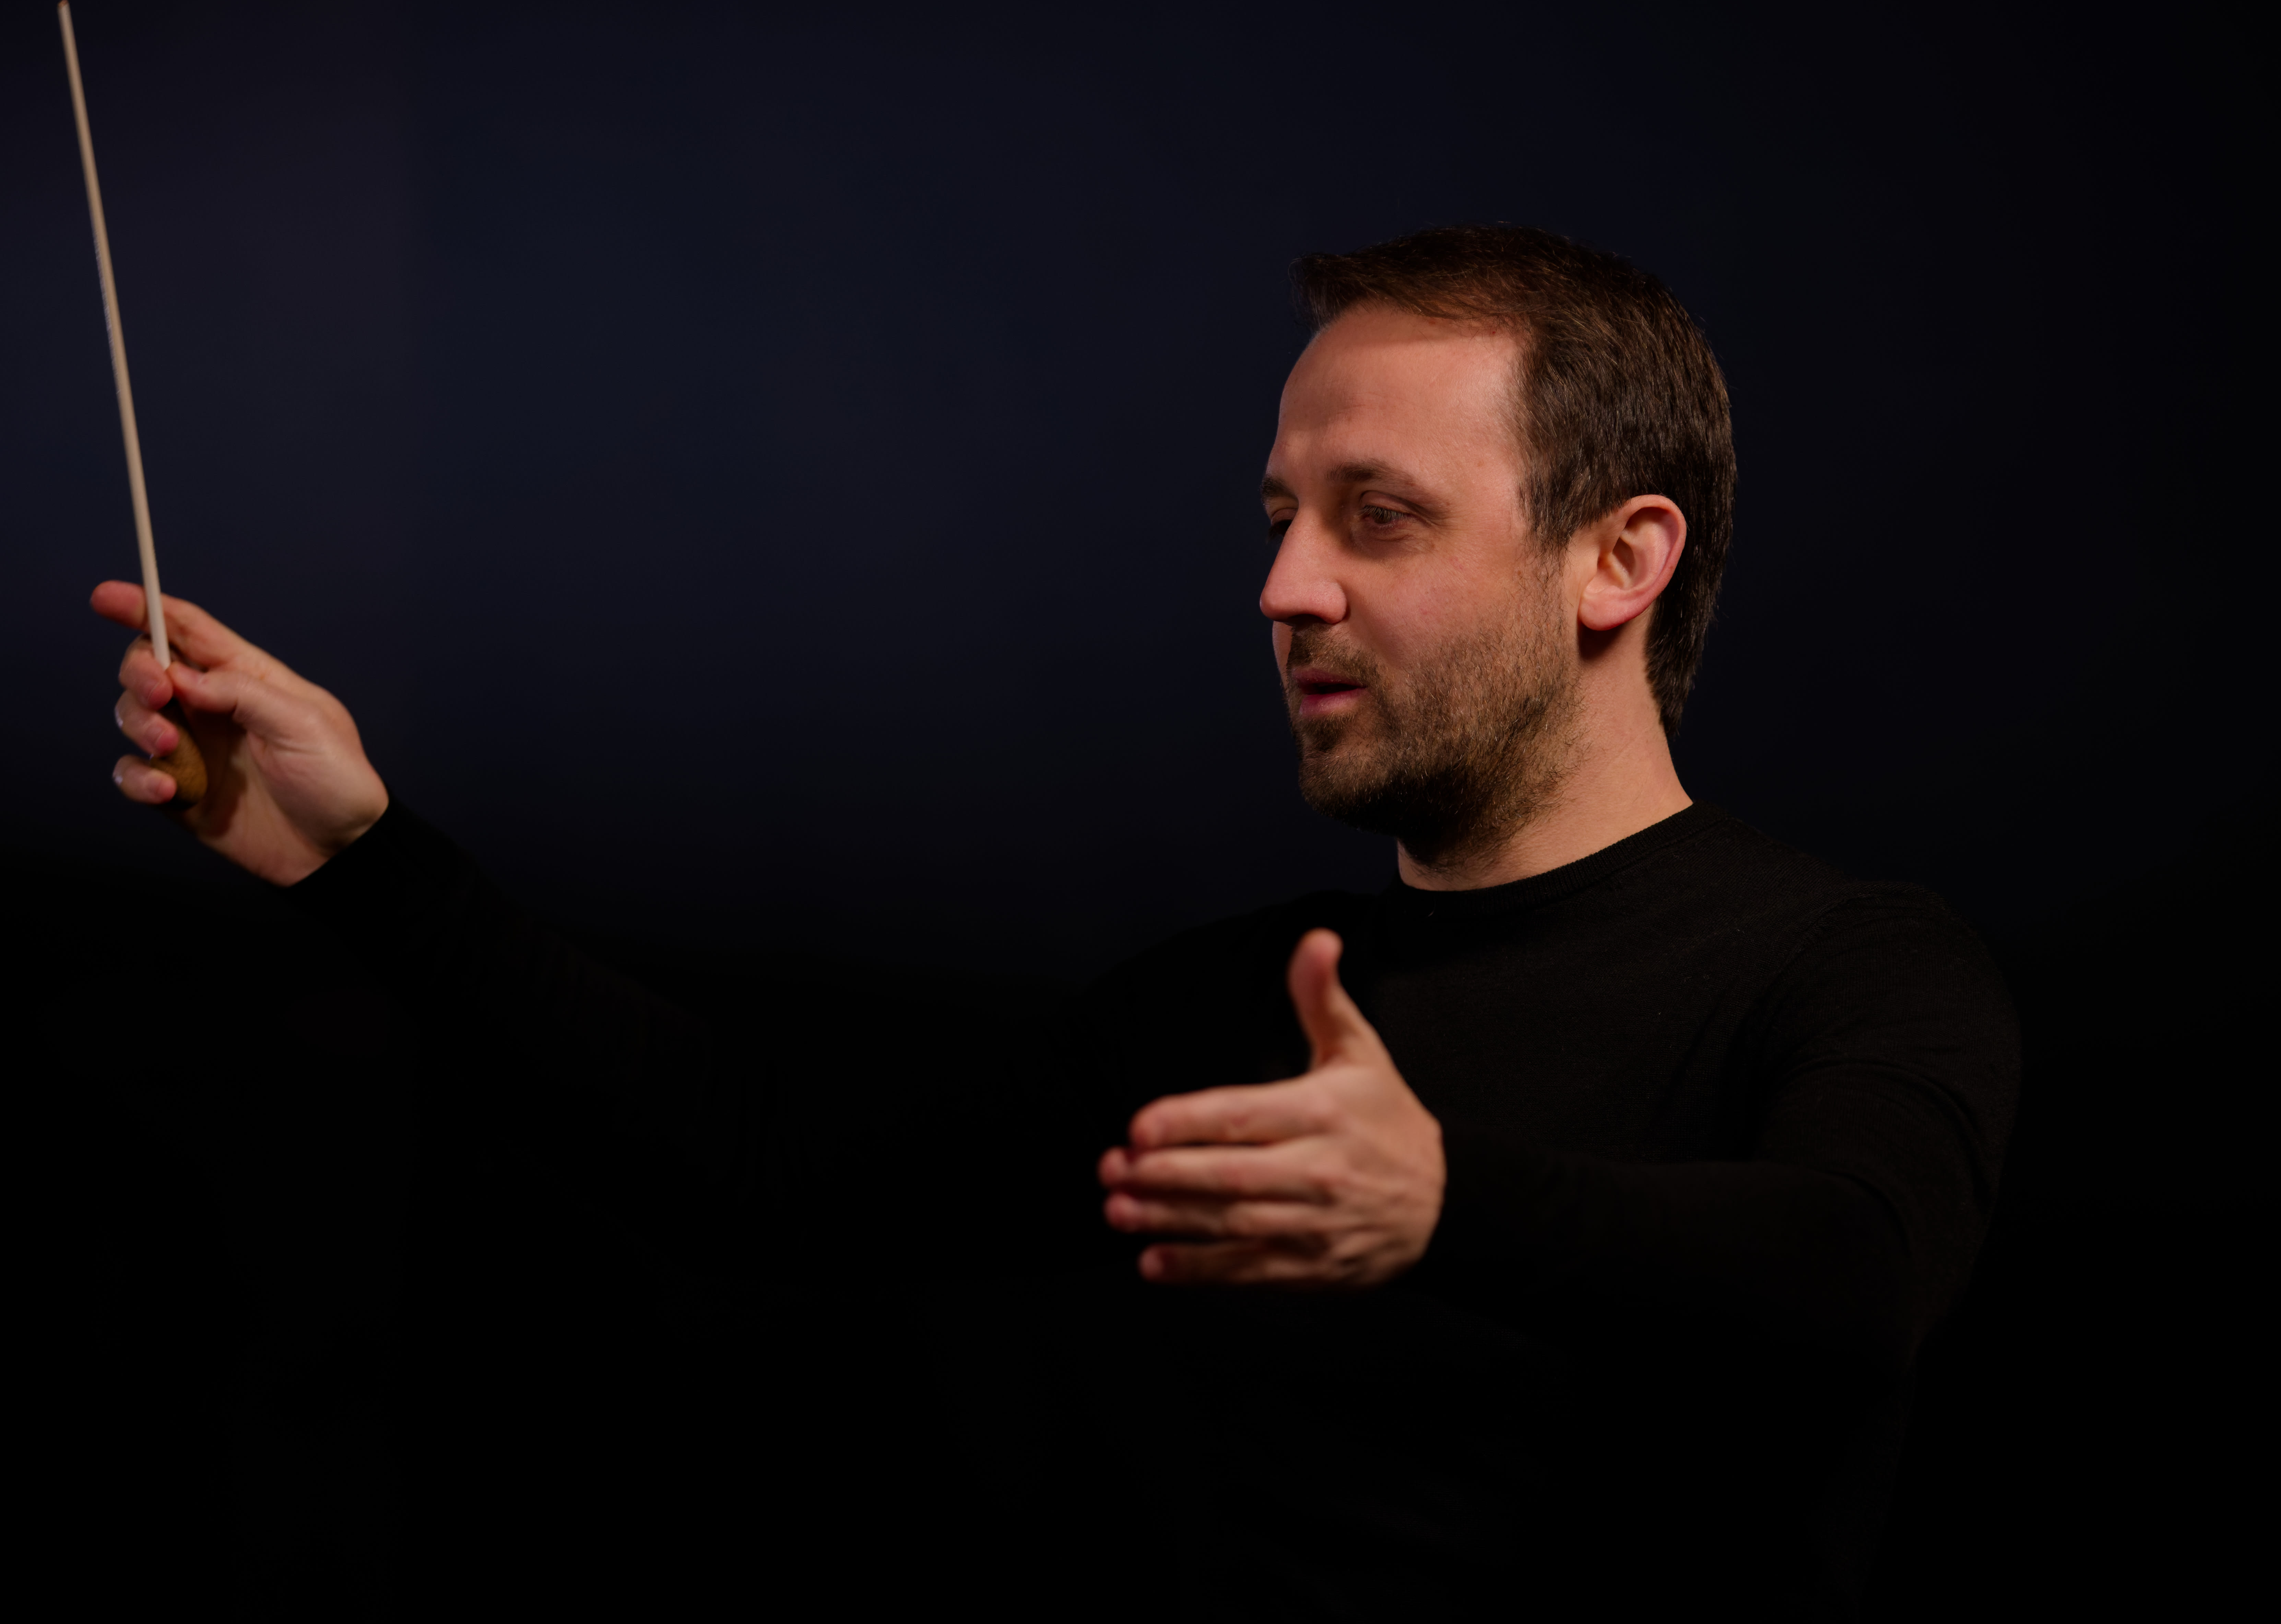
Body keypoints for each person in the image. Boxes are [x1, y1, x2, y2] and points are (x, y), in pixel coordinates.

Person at [97, 225, 2017, 1618]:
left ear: (1620, 559)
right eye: (1278, 514)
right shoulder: (1242, 1003)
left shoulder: (1840, 963)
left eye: (1379, 515)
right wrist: (363, 860)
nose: (1282, 584)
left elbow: (1850, 1274)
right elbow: (768, 1172)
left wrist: (1445, 1205)